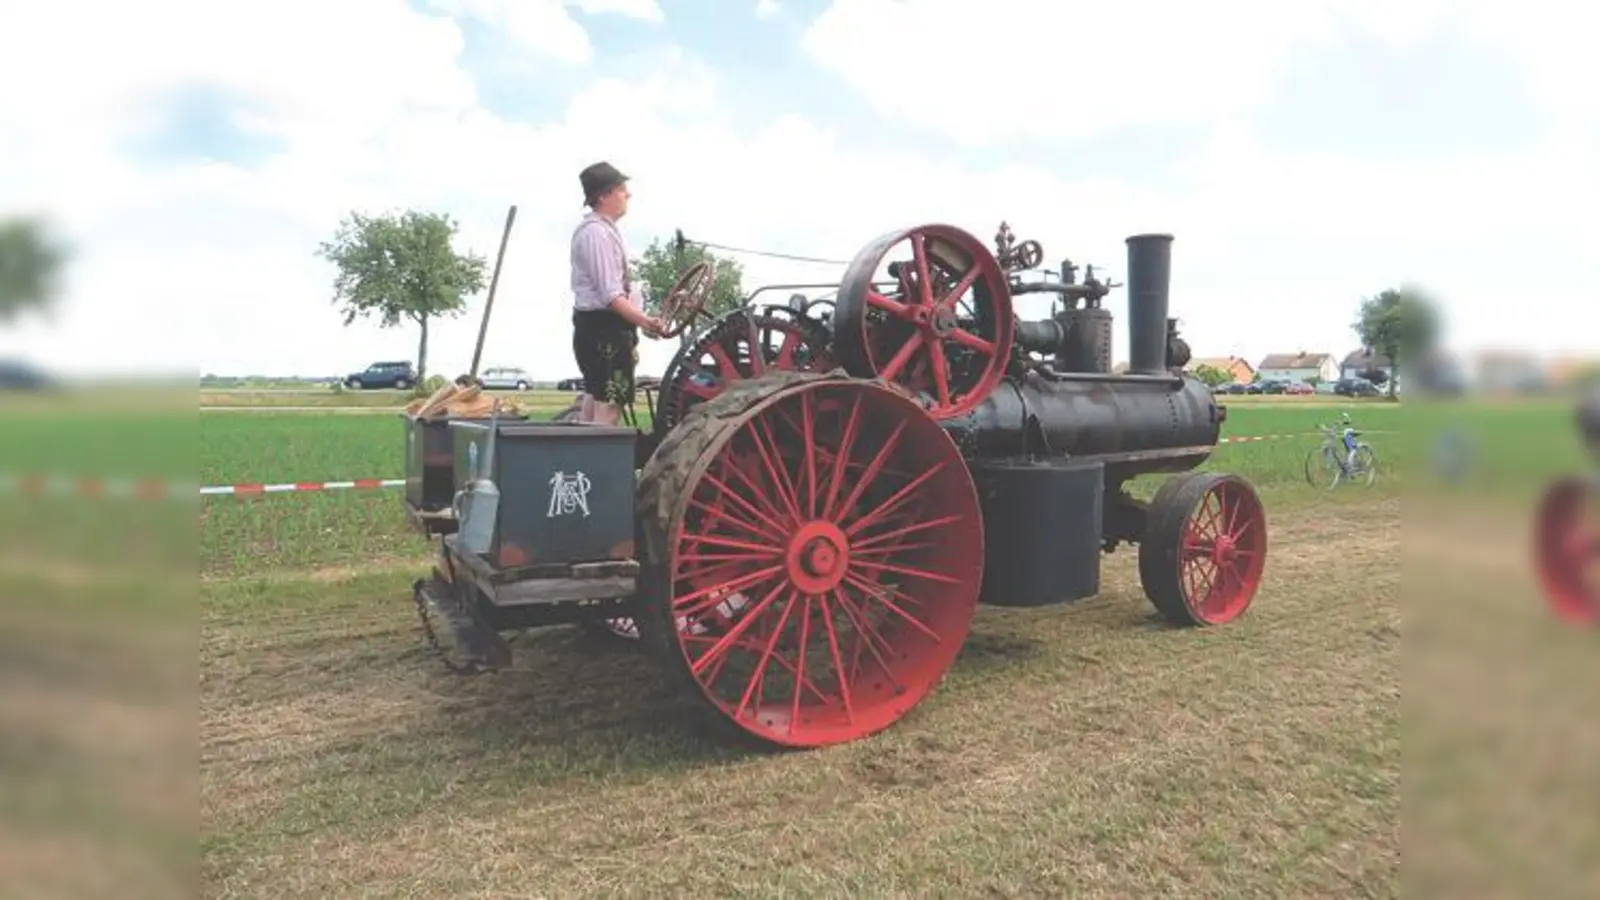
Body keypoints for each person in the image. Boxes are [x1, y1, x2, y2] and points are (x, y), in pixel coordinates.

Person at [569, 161, 665, 425]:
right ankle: (599, 464)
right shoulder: (596, 235)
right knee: (608, 408)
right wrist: (646, 322)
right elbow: (611, 296)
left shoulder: (602, 231)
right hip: (605, 332)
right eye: (622, 190)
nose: (628, 195)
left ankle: (587, 463)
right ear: (603, 196)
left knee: (595, 401)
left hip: (601, 329)